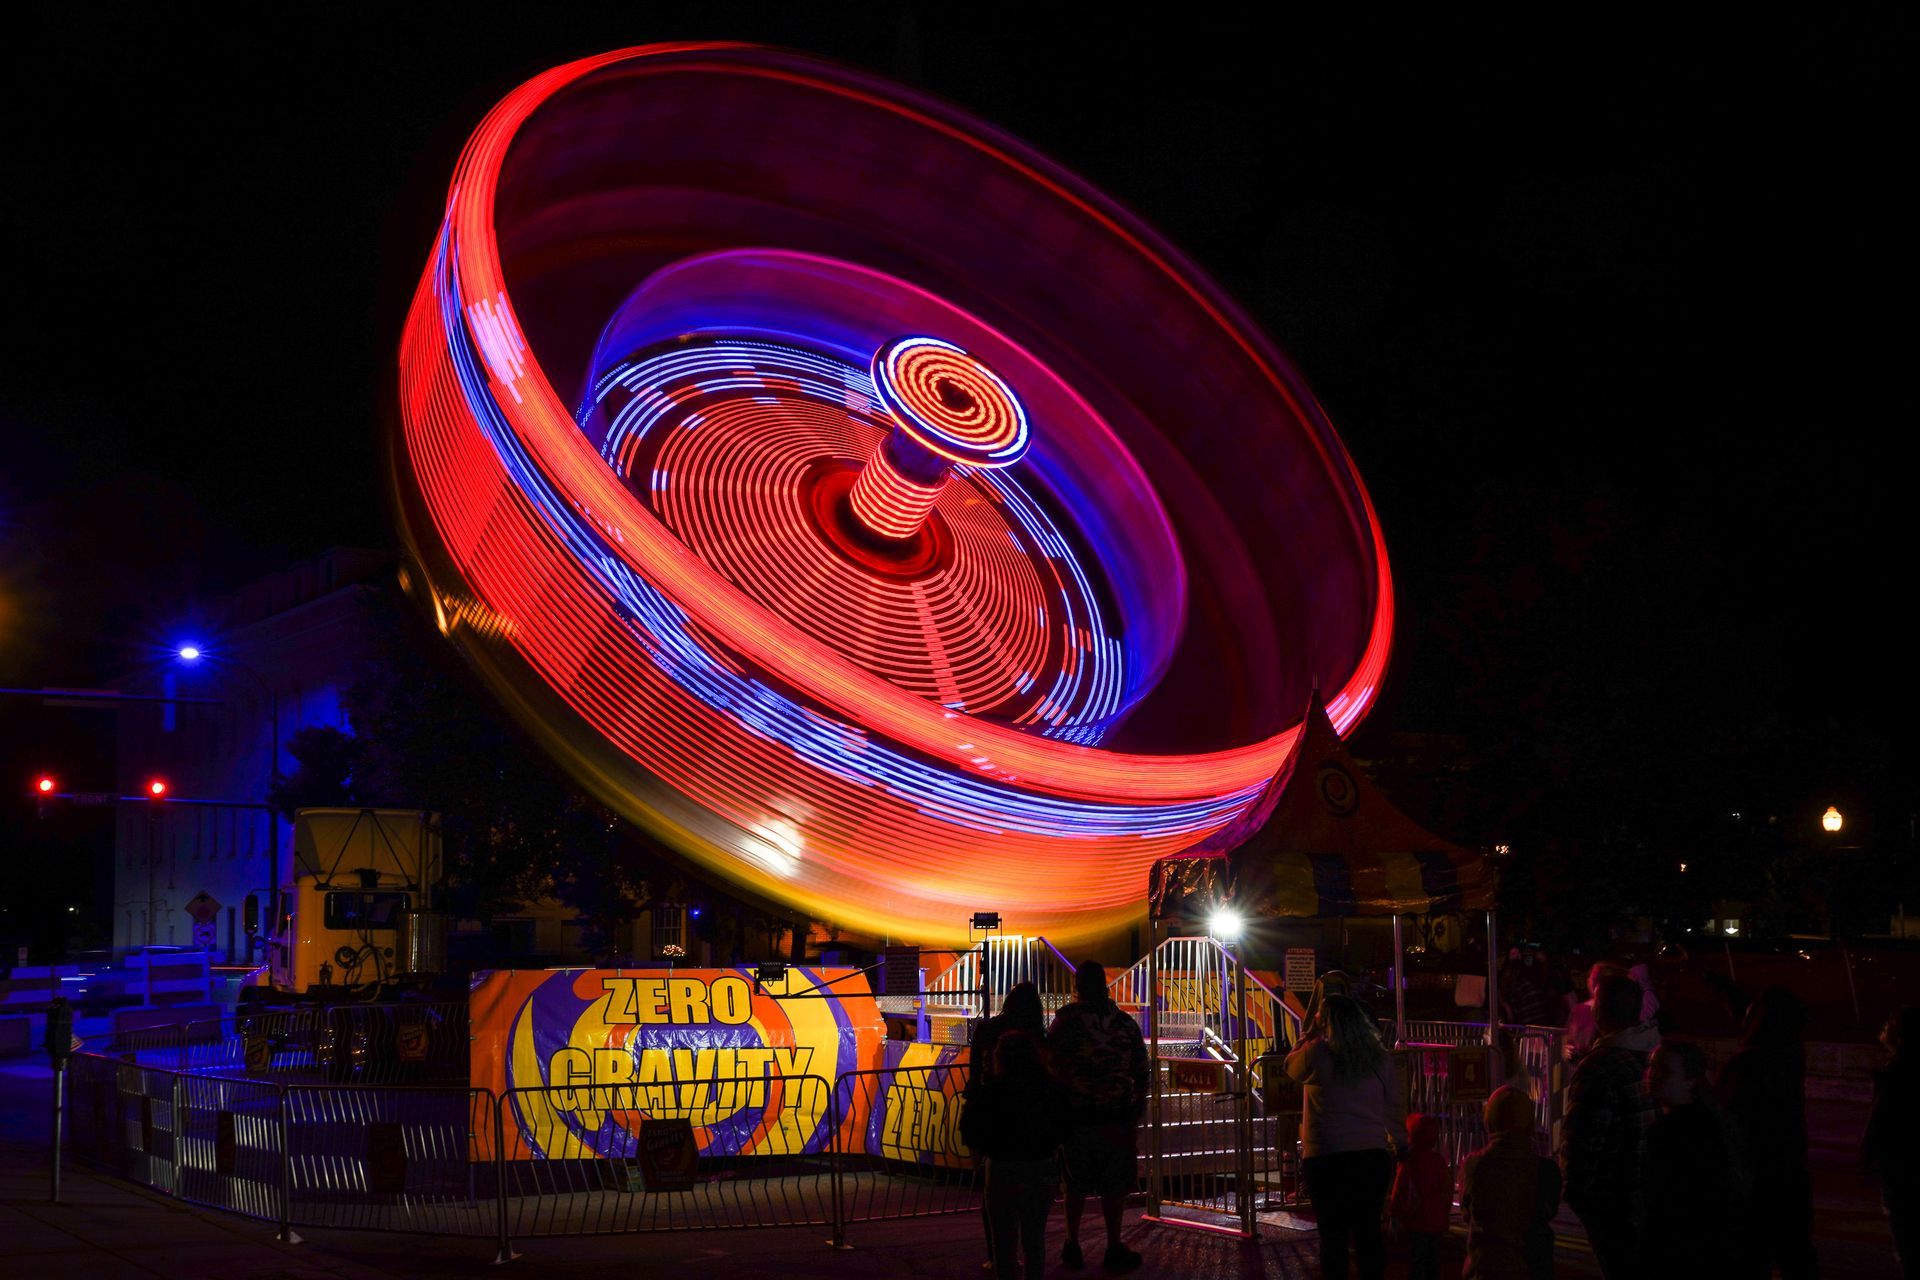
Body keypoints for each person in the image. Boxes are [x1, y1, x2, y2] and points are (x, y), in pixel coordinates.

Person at [1285, 992, 1406, 1280]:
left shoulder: (1316, 1054)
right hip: (1370, 1154)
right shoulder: (1378, 1058)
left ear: (1325, 1022)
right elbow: (1393, 1105)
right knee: (1368, 1233)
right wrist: (1401, 1142)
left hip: (1326, 1156)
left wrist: (1306, 1035)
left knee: (1333, 1236)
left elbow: (1290, 1067)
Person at [1047, 961, 1146, 1274]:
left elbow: (1052, 1065)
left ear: (1077, 987)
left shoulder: (1064, 1022)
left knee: (1074, 1184)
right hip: (1117, 1117)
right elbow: (1141, 1070)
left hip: (1077, 1118)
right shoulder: (1125, 1024)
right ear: (1105, 986)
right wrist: (1136, 1107)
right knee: (1114, 1186)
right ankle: (1114, 1245)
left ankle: (1072, 1243)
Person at [1718, 985, 1818, 1279]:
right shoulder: (1790, 1051)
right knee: (1796, 1251)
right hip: (1791, 1168)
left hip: (1755, 1173)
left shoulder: (1746, 1063)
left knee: (1752, 1254)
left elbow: (1726, 1115)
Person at [1561, 975, 1653, 1278]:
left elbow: (1582, 1138)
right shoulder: (1651, 1055)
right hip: (1647, 1196)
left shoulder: (1600, 1067)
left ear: (1600, 1012)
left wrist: (1577, 1192)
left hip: (1614, 1201)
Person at [960, 1029, 1070, 1280]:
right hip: (1040, 1165)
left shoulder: (992, 1091)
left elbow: (970, 1128)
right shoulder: (1049, 1089)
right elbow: (1065, 1126)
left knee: (1003, 1242)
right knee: (1035, 1239)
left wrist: (979, 1160)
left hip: (1001, 1167)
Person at [1640, 1040, 1741, 1278]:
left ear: (1690, 1080)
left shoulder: (1673, 1132)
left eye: (1664, 1069)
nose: (1653, 1075)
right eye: (1652, 1066)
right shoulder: (1708, 1122)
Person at [967, 981, 1047, 1270]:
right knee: (1033, 1218)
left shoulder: (988, 1030)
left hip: (996, 1132)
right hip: (1034, 1140)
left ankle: (998, 1257)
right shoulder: (1037, 1034)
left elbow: (975, 1075)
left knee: (995, 1203)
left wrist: (972, 1126)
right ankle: (1031, 1262)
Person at [1462, 1085, 1560, 1279]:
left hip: (1485, 1267)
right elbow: (1549, 1211)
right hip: (1532, 1266)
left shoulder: (1474, 1165)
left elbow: (1468, 1212)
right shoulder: (1546, 1170)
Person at [1865, 1007, 1920, 1277]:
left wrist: (1867, 1157)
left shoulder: (1894, 1073)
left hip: (1901, 1172)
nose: (1883, 1029)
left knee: (1909, 1243)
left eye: (1889, 1025)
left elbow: (1881, 1123)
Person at [1390, 1112, 1452, 1280]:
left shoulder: (1409, 1162)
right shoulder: (1438, 1161)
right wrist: (1444, 1212)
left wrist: (1394, 1213)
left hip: (1416, 1222)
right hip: (1437, 1222)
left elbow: (1399, 1190)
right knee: (1434, 1262)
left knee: (1417, 1261)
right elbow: (1446, 1189)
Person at [1565, 962, 1658, 1062]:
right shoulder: (1579, 1009)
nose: (1590, 981)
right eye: (1591, 977)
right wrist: (1567, 1049)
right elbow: (1570, 1039)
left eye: (1597, 979)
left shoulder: (1621, 1048)